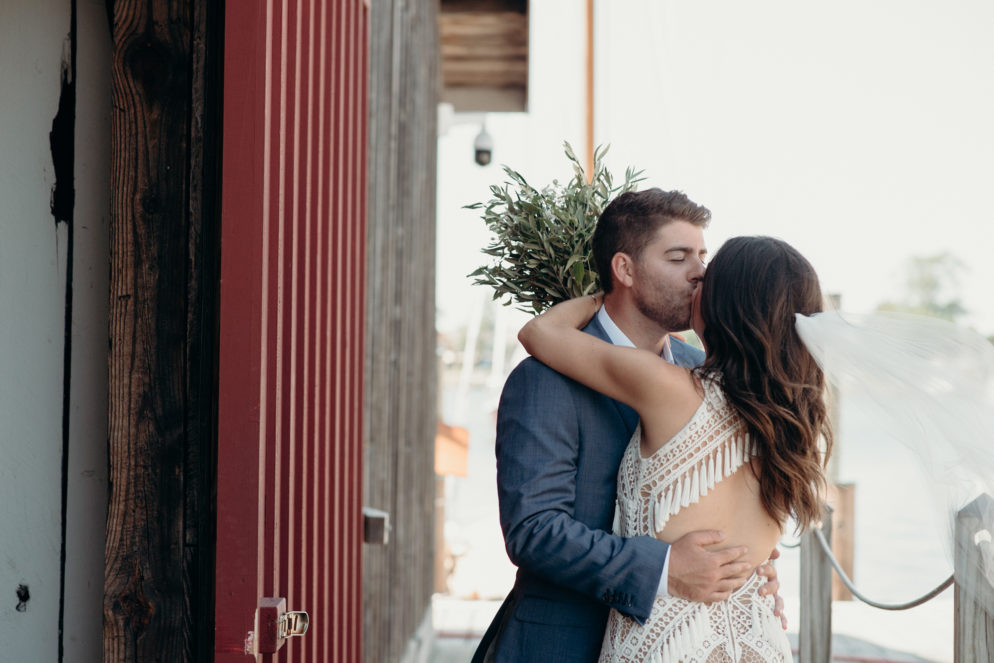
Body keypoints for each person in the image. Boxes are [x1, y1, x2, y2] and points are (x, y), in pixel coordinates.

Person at [471, 190, 783, 663]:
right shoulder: (543, 378)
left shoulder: (706, 369)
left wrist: (749, 568)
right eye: (678, 257)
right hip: (565, 644)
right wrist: (663, 568)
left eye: (703, 256)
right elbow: (534, 529)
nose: (699, 271)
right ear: (625, 270)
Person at [518, 235, 832, 662]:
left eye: (708, 276)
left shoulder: (668, 387)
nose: (696, 279)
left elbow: (539, 332)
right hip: (762, 644)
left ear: (727, 304)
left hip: (670, 647)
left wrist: (603, 296)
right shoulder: (795, 424)